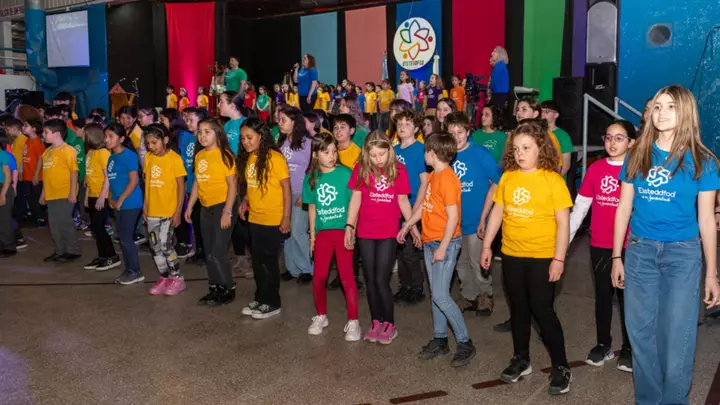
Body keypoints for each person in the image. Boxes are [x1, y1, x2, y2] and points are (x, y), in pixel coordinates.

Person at [612, 85, 720, 405]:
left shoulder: (702, 161)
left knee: (678, 336)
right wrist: (617, 256)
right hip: (640, 251)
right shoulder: (637, 154)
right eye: (657, 106)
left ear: (685, 112)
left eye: (671, 107)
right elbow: (624, 207)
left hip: (682, 255)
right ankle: (648, 400)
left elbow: (706, 220)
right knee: (640, 333)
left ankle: (674, 401)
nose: (662, 113)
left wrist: (712, 273)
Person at [480, 120, 573, 395]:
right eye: (517, 148)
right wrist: (487, 246)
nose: (520, 154)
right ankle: (521, 359)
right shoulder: (508, 177)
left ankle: (562, 367)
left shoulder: (553, 180)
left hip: (543, 256)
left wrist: (559, 259)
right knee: (518, 310)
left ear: (540, 149)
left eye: (527, 148)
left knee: (542, 311)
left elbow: (563, 224)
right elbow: (497, 213)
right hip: (512, 254)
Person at [398, 131, 477, 367]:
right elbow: (425, 205)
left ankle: (465, 342)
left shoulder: (448, 180)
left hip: (446, 244)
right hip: (430, 241)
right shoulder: (434, 176)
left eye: (426, 151)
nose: (424, 155)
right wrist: (408, 225)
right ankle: (440, 339)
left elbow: (453, 218)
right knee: (437, 294)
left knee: (441, 296)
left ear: (432, 153)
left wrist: (443, 247)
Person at [568, 120, 636, 371]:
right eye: (608, 137)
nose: (612, 143)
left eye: (619, 138)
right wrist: (563, 244)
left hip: (630, 246)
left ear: (631, 143)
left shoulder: (638, 170)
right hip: (599, 244)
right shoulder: (596, 169)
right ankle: (603, 344)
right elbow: (580, 209)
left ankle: (629, 348)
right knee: (603, 296)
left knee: (628, 298)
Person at [344, 131, 416, 344]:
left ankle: (389, 323)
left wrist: (412, 226)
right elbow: (355, 199)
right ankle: (376, 321)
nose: (378, 159)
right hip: (366, 232)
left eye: (382, 154)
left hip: (388, 232)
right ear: (367, 155)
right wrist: (349, 226)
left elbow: (403, 201)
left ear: (389, 152)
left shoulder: (398, 170)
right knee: (370, 279)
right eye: (374, 155)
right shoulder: (361, 169)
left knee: (381, 280)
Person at [303, 132, 361, 340]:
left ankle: (353, 321)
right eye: (326, 152)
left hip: (343, 231)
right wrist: (312, 236)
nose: (332, 156)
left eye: (334, 151)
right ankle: (321, 315)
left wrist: (351, 230)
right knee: (319, 277)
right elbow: (312, 207)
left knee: (346, 277)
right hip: (323, 234)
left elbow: (355, 204)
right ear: (315, 155)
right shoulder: (312, 178)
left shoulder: (346, 174)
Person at [446, 112, 501, 316]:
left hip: (477, 218)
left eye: (460, 132)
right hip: (454, 221)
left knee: (477, 260)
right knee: (460, 262)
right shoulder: (445, 155)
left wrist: (485, 216)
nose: (456, 137)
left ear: (468, 132)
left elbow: (496, 183)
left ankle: (485, 295)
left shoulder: (480, 153)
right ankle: (469, 295)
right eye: (451, 133)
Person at [237, 118, 291, 319]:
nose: (245, 141)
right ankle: (261, 298)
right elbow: (252, 186)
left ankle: (272, 302)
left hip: (272, 218)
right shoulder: (251, 158)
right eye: (243, 138)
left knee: (268, 262)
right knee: (258, 261)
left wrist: (286, 218)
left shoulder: (275, 158)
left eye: (249, 137)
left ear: (261, 136)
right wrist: (244, 201)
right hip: (255, 218)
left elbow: (286, 189)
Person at [185, 119, 238, 306]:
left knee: (218, 250)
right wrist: (190, 206)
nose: (202, 135)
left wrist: (227, 211)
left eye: (207, 132)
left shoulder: (225, 156)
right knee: (208, 251)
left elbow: (232, 186)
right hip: (205, 207)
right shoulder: (200, 155)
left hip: (222, 206)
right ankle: (215, 287)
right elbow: (197, 182)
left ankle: (228, 288)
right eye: (200, 132)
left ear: (218, 134)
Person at [143, 124, 187, 296]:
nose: (151, 147)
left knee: (165, 245)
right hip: (153, 210)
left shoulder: (175, 159)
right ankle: (164, 277)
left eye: (154, 142)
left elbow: (181, 187)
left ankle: (178, 278)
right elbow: (147, 183)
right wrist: (145, 206)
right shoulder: (148, 157)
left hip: (169, 211)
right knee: (154, 246)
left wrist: (178, 212)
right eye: (148, 143)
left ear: (165, 140)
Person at [392, 111, 428, 305]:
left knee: (410, 250)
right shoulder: (394, 150)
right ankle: (404, 285)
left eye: (407, 123)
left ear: (416, 129)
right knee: (399, 249)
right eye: (399, 123)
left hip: (413, 206)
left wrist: (415, 211)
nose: (402, 126)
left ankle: (417, 287)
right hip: (395, 206)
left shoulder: (420, 150)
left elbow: (425, 182)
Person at [277, 107, 313, 282]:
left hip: (300, 192)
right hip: (284, 193)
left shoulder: (308, 143)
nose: (279, 123)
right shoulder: (281, 143)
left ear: (294, 122)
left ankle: (307, 269)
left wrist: (305, 193)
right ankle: (292, 269)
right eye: (279, 120)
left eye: (283, 120)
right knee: (287, 231)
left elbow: (313, 170)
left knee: (298, 230)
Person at [105, 123, 144, 285]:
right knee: (122, 238)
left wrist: (120, 200)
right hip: (118, 203)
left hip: (130, 203)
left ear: (121, 139)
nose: (107, 140)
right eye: (106, 136)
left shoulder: (128, 156)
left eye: (111, 136)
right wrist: (110, 199)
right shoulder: (111, 157)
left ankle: (135, 271)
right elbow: (112, 181)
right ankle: (129, 269)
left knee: (126, 238)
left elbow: (134, 181)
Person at [39, 119, 81, 263]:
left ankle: (72, 250)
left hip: (64, 193)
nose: (43, 135)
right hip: (51, 194)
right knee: (54, 224)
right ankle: (59, 250)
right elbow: (46, 176)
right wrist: (43, 193)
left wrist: (72, 192)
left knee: (65, 223)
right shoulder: (47, 152)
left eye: (46, 132)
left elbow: (74, 172)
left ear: (56, 134)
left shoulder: (68, 150)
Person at [82, 124, 120, 272]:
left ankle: (111, 255)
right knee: (95, 228)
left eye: (85, 134)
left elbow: (108, 177)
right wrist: (87, 196)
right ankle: (102, 256)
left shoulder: (103, 153)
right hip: (93, 194)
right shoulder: (91, 152)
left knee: (99, 227)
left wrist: (102, 196)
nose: (82, 137)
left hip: (101, 195)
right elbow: (89, 177)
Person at [20, 117, 45, 226]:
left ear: (34, 129)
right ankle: (34, 218)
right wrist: (21, 172)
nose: (23, 127)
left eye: (26, 126)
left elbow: (40, 159)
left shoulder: (38, 142)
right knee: (30, 198)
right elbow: (24, 157)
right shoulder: (27, 140)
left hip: (35, 177)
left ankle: (40, 219)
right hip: (27, 175)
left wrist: (36, 175)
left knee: (36, 199)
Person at [541, 100, 573, 177]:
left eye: (546, 112)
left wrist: (557, 179)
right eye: (541, 111)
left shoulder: (563, 135)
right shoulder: (537, 132)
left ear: (556, 115)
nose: (543, 114)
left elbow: (566, 165)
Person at [0, 130, 15, 257]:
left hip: (3, 187)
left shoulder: (2, 154)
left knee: (4, 219)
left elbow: (8, 176)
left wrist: (3, 194)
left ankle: (9, 247)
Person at [489, 46, 510, 116]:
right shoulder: (502, 65)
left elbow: (494, 81)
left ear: (500, 54)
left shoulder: (499, 65)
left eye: (494, 51)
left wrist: (489, 88)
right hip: (501, 94)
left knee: (496, 114)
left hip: (498, 94)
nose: (492, 53)